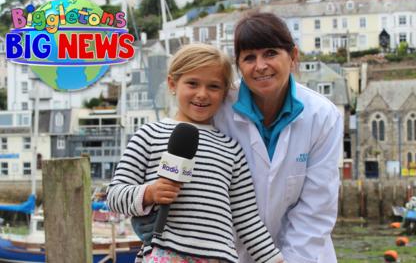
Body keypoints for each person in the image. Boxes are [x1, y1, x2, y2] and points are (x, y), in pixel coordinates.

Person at [106, 44, 284, 263]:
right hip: (165, 253)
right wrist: (149, 193)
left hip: (219, 258)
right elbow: (114, 196)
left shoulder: (231, 149)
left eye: (213, 86)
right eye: (192, 83)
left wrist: (276, 260)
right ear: (172, 83)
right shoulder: (149, 134)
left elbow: (248, 221)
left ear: (225, 93)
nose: (202, 94)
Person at [213, 12, 343, 263]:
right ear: (238, 65)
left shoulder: (322, 116)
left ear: (293, 56)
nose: (260, 66)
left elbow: (315, 210)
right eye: (249, 57)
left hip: (302, 255)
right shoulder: (220, 112)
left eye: (270, 53)